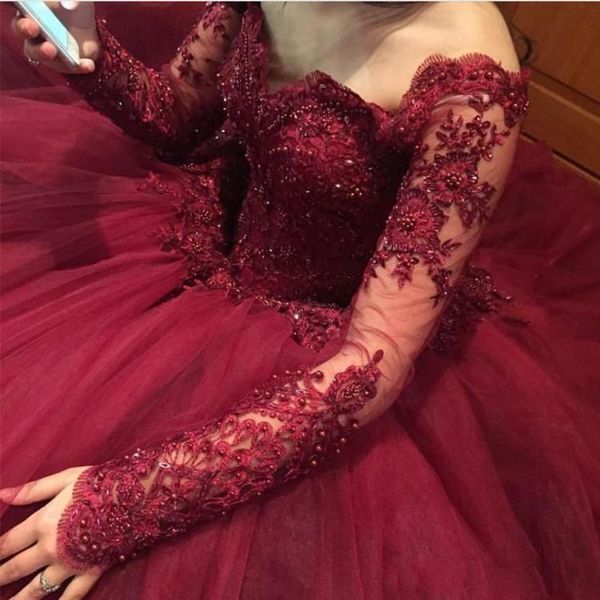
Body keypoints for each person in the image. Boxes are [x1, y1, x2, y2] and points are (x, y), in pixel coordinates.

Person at [1, 1, 599, 598]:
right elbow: (180, 115)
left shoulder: (469, 78)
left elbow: (375, 360)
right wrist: (90, 58)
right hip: (203, 251)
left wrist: (136, 500)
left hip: (336, 347)